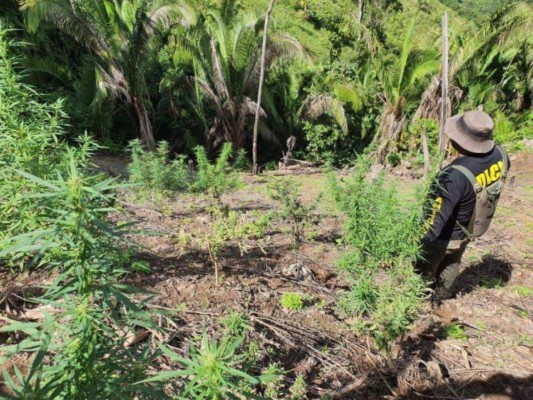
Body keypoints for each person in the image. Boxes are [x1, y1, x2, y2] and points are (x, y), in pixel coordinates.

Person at [416, 110, 510, 306]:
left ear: (456, 142)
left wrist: (417, 243)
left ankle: (418, 297)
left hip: (445, 236)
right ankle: (442, 297)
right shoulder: (501, 155)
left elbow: (435, 221)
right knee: (453, 262)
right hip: (471, 226)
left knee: (426, 266)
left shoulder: (453, 176)